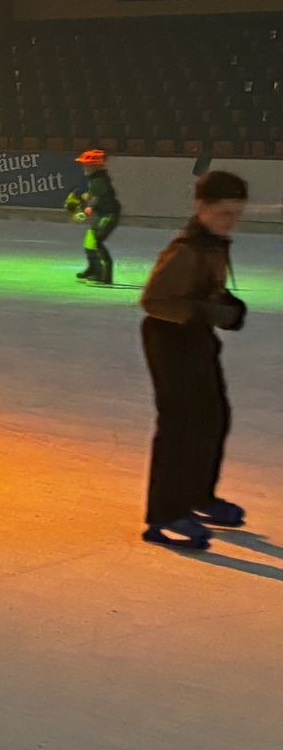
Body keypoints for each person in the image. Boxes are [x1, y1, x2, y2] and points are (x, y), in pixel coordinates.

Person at [137, 170, 250, 551]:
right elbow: (153, 301)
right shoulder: (185, 249)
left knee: (212, 416)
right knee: (179, 425)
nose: (230, 221)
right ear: (201, 207)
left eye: (236, 214)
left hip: (195, 338)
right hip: (168, 339)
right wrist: (202, 311)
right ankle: (165, 514)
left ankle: (198, 495)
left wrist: (225, 306)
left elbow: (205, 293)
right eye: (223, 213)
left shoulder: (212, 244)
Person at [67, 148, 121, 286]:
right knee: (89, 240)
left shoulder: (99, 181)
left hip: (109, 215)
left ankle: (104, 275)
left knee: (95, 241)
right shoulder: (96, 179)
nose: (84, 168)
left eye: (86, 165)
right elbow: (93, 196)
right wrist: (82, 198)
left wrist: (85, 212)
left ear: (95, 166)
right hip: (105, 214)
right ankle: (94, 269)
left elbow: (96, 199)